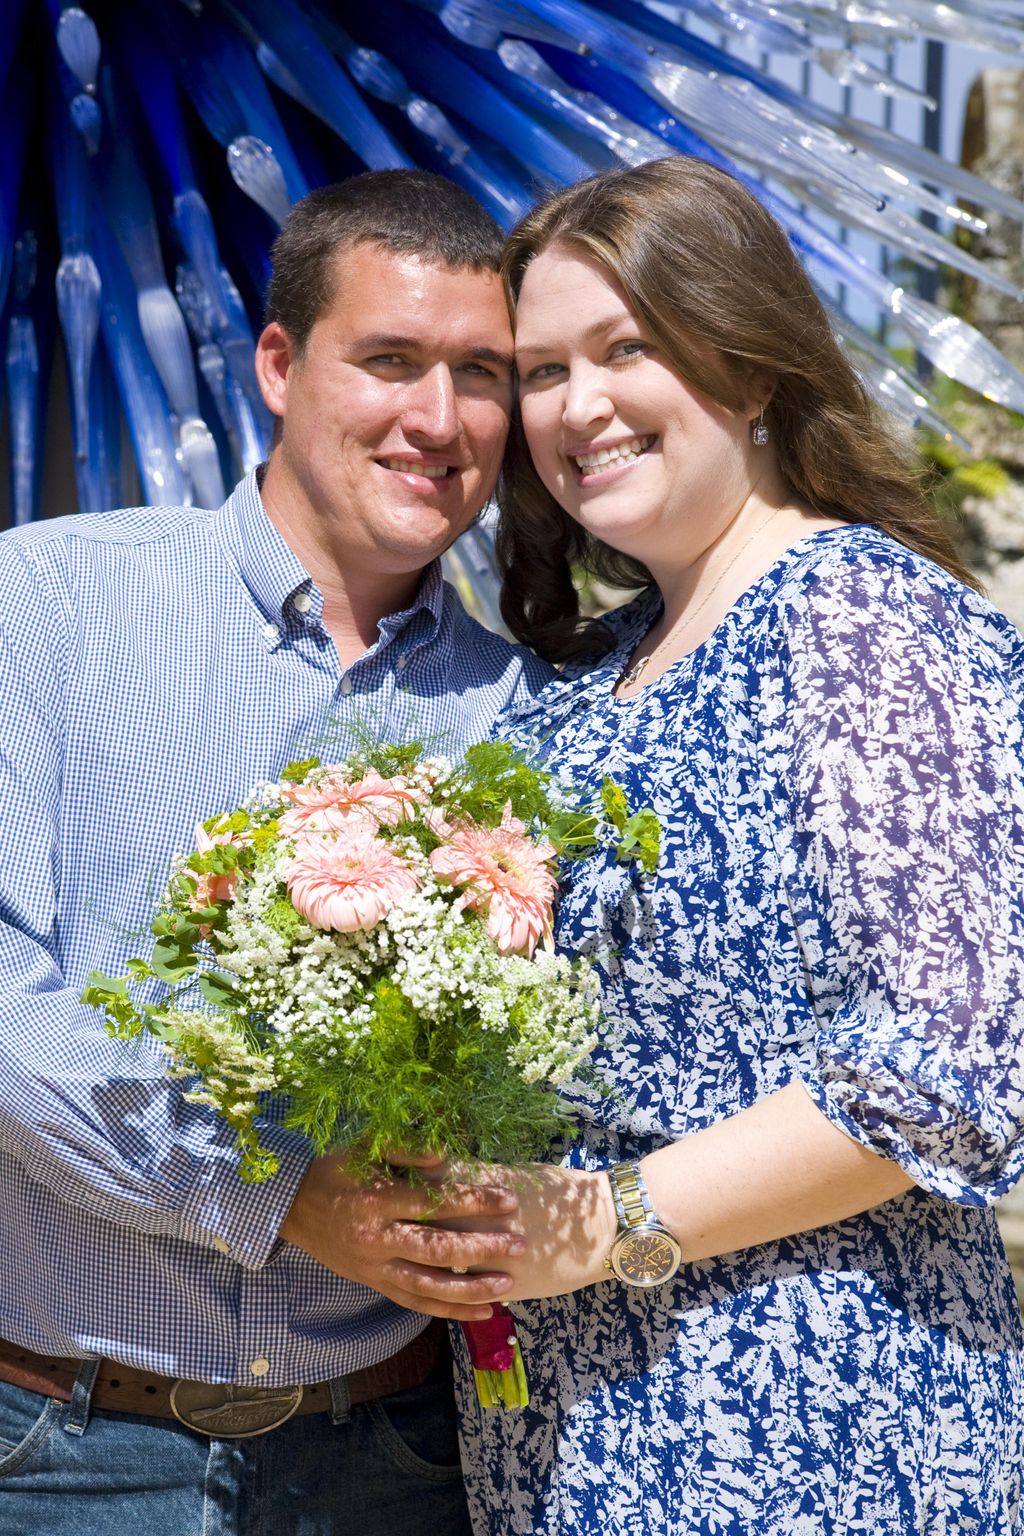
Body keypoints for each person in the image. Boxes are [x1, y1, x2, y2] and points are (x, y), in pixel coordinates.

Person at [444, 157, 1024, 1535]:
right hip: (581, 1433)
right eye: (540, 371)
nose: (578, 407)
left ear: (753, 368)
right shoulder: (602, 671)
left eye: (626, 347)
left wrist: (596, 1223)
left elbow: (959, 1071)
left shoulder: (865, 628)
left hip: (812, 1420)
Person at [0, 169, 552, 1535]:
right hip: (74, 1459)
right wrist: (277, 1191)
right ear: (278, 365)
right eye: (391, 361)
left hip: (398, 1462)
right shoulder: (48, 604)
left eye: (481, 373)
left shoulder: (525, 714)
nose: (439, 418)